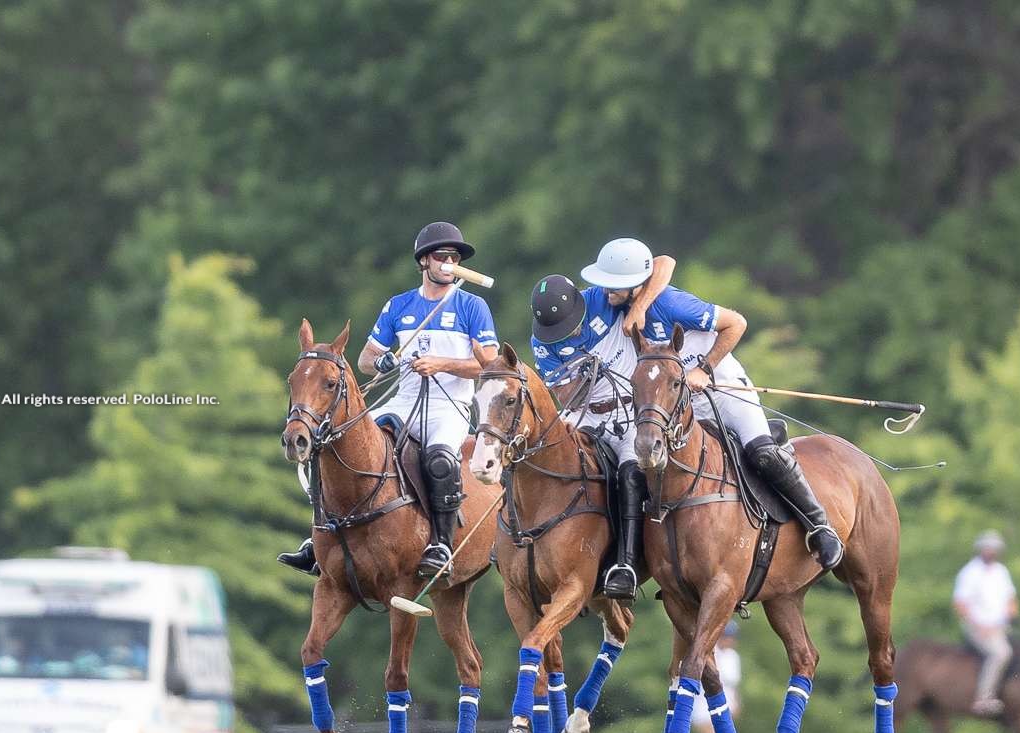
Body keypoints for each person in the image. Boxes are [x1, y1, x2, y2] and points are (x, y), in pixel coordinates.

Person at [581, 238, 844, 570]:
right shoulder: (622, 306)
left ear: (635, 285)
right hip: (678, 403)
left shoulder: (674, 304)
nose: (606, 292)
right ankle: (645, 561)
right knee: (648, 467)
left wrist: (704, 368)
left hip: (722, 387)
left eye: (614, 286)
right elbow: (661, 262)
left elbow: (737, 323)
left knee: (762, 451)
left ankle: (820, 526)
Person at [279, 221, 500, 579]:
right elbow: (366, 358)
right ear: (425, 261)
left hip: (451, 405)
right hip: (404, 399)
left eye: (455, 257)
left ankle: (441, 545)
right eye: (442, 256)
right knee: (336, 444)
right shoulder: (399, 306)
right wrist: (381, 361)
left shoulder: (472, 306)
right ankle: (321, 535)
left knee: (441, 458)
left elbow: (489, 365)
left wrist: (441, 363)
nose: (450, 262)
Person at [528, 251, 674, 603]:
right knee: (541, 456)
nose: (569, 335)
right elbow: (565, 395)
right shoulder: (543, 343)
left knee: (628, 473)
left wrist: (638, 310)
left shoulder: (604, 296)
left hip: (630, 414)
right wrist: (584, 376)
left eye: (572, 325)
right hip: (587, 415)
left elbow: (664, 264)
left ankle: (624, 564)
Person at [953, 530, 1018, 715]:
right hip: (978, 628)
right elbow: (961, 603)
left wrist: (1010, 613)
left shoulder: (1001, 571)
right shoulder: (970, 572)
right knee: (1001, 653)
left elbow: (1010, 599)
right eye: (988, 548)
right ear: (981, 549)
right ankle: (984, 697)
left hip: (1000, 627)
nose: (991, 551)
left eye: (994, 548)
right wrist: (980, 626)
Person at [691, 620, 742, 733]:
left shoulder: (733, 656)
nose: (729, 640)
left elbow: (733, 684)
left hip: (728, 702)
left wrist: (736, 702)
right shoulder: (711, 654)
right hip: (705, 703)